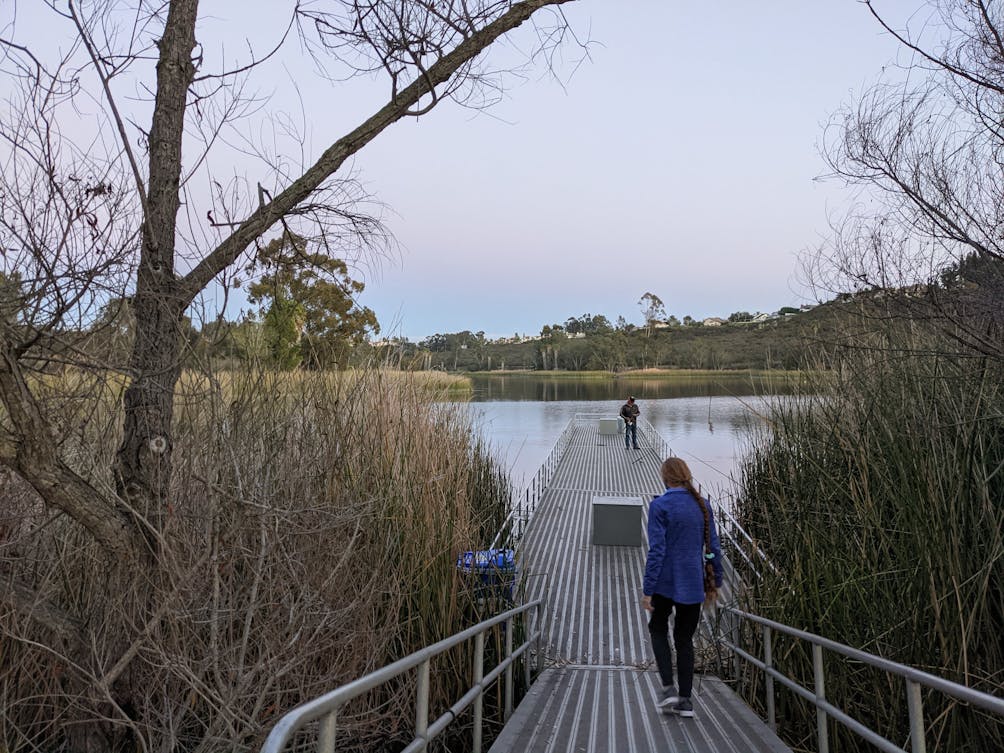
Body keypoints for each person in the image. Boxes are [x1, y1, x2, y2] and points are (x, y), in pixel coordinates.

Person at [640, 457, 723, 719]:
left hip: (665, 582)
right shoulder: (703, 505)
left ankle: (668, 689)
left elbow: (657, 551)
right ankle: (685, 701)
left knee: (657, 628)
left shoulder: (660, 505)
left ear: (665, 478)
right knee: (684, 639)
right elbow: (713, 549)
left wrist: (648, 588)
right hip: (693, 583)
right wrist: (716, 579)